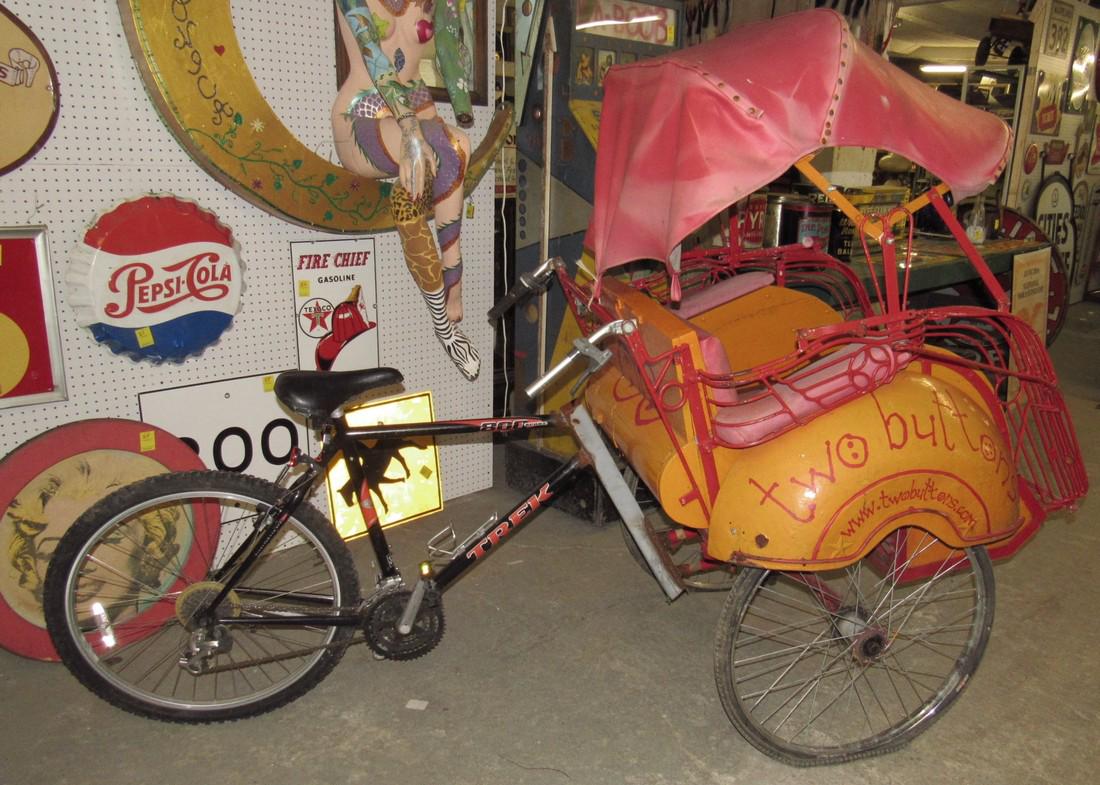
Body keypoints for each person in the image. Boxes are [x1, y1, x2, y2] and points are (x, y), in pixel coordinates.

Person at [332, 0, 479, 380]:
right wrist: (412, 132)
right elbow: (373, 55)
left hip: (416, 105)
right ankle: (445, 319)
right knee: (436, 148)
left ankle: (452, 288)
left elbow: (446, 52)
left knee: (457, 144)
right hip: (363, 112)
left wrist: (444, 114)